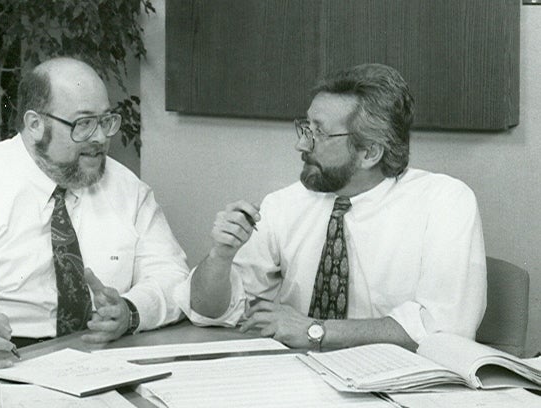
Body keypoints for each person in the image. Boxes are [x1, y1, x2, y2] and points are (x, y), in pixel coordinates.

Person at [0, 57, 189, 369]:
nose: (100, 137)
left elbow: (172, 276)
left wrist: (131, 310)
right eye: (83, 123)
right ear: (35, 125)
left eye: (106, 121)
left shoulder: (127, 189)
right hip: (3, 363)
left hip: (107, 356)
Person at [177, 63, 486, 351]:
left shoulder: (444, 202)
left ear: (369, 152)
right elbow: (208, 312)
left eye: (320, 133)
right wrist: (221, 255)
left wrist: (316, 331)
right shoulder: (285, 204)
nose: (302, 145)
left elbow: (446, 329)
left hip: (397, 390)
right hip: (294, 383)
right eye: (305, 127)